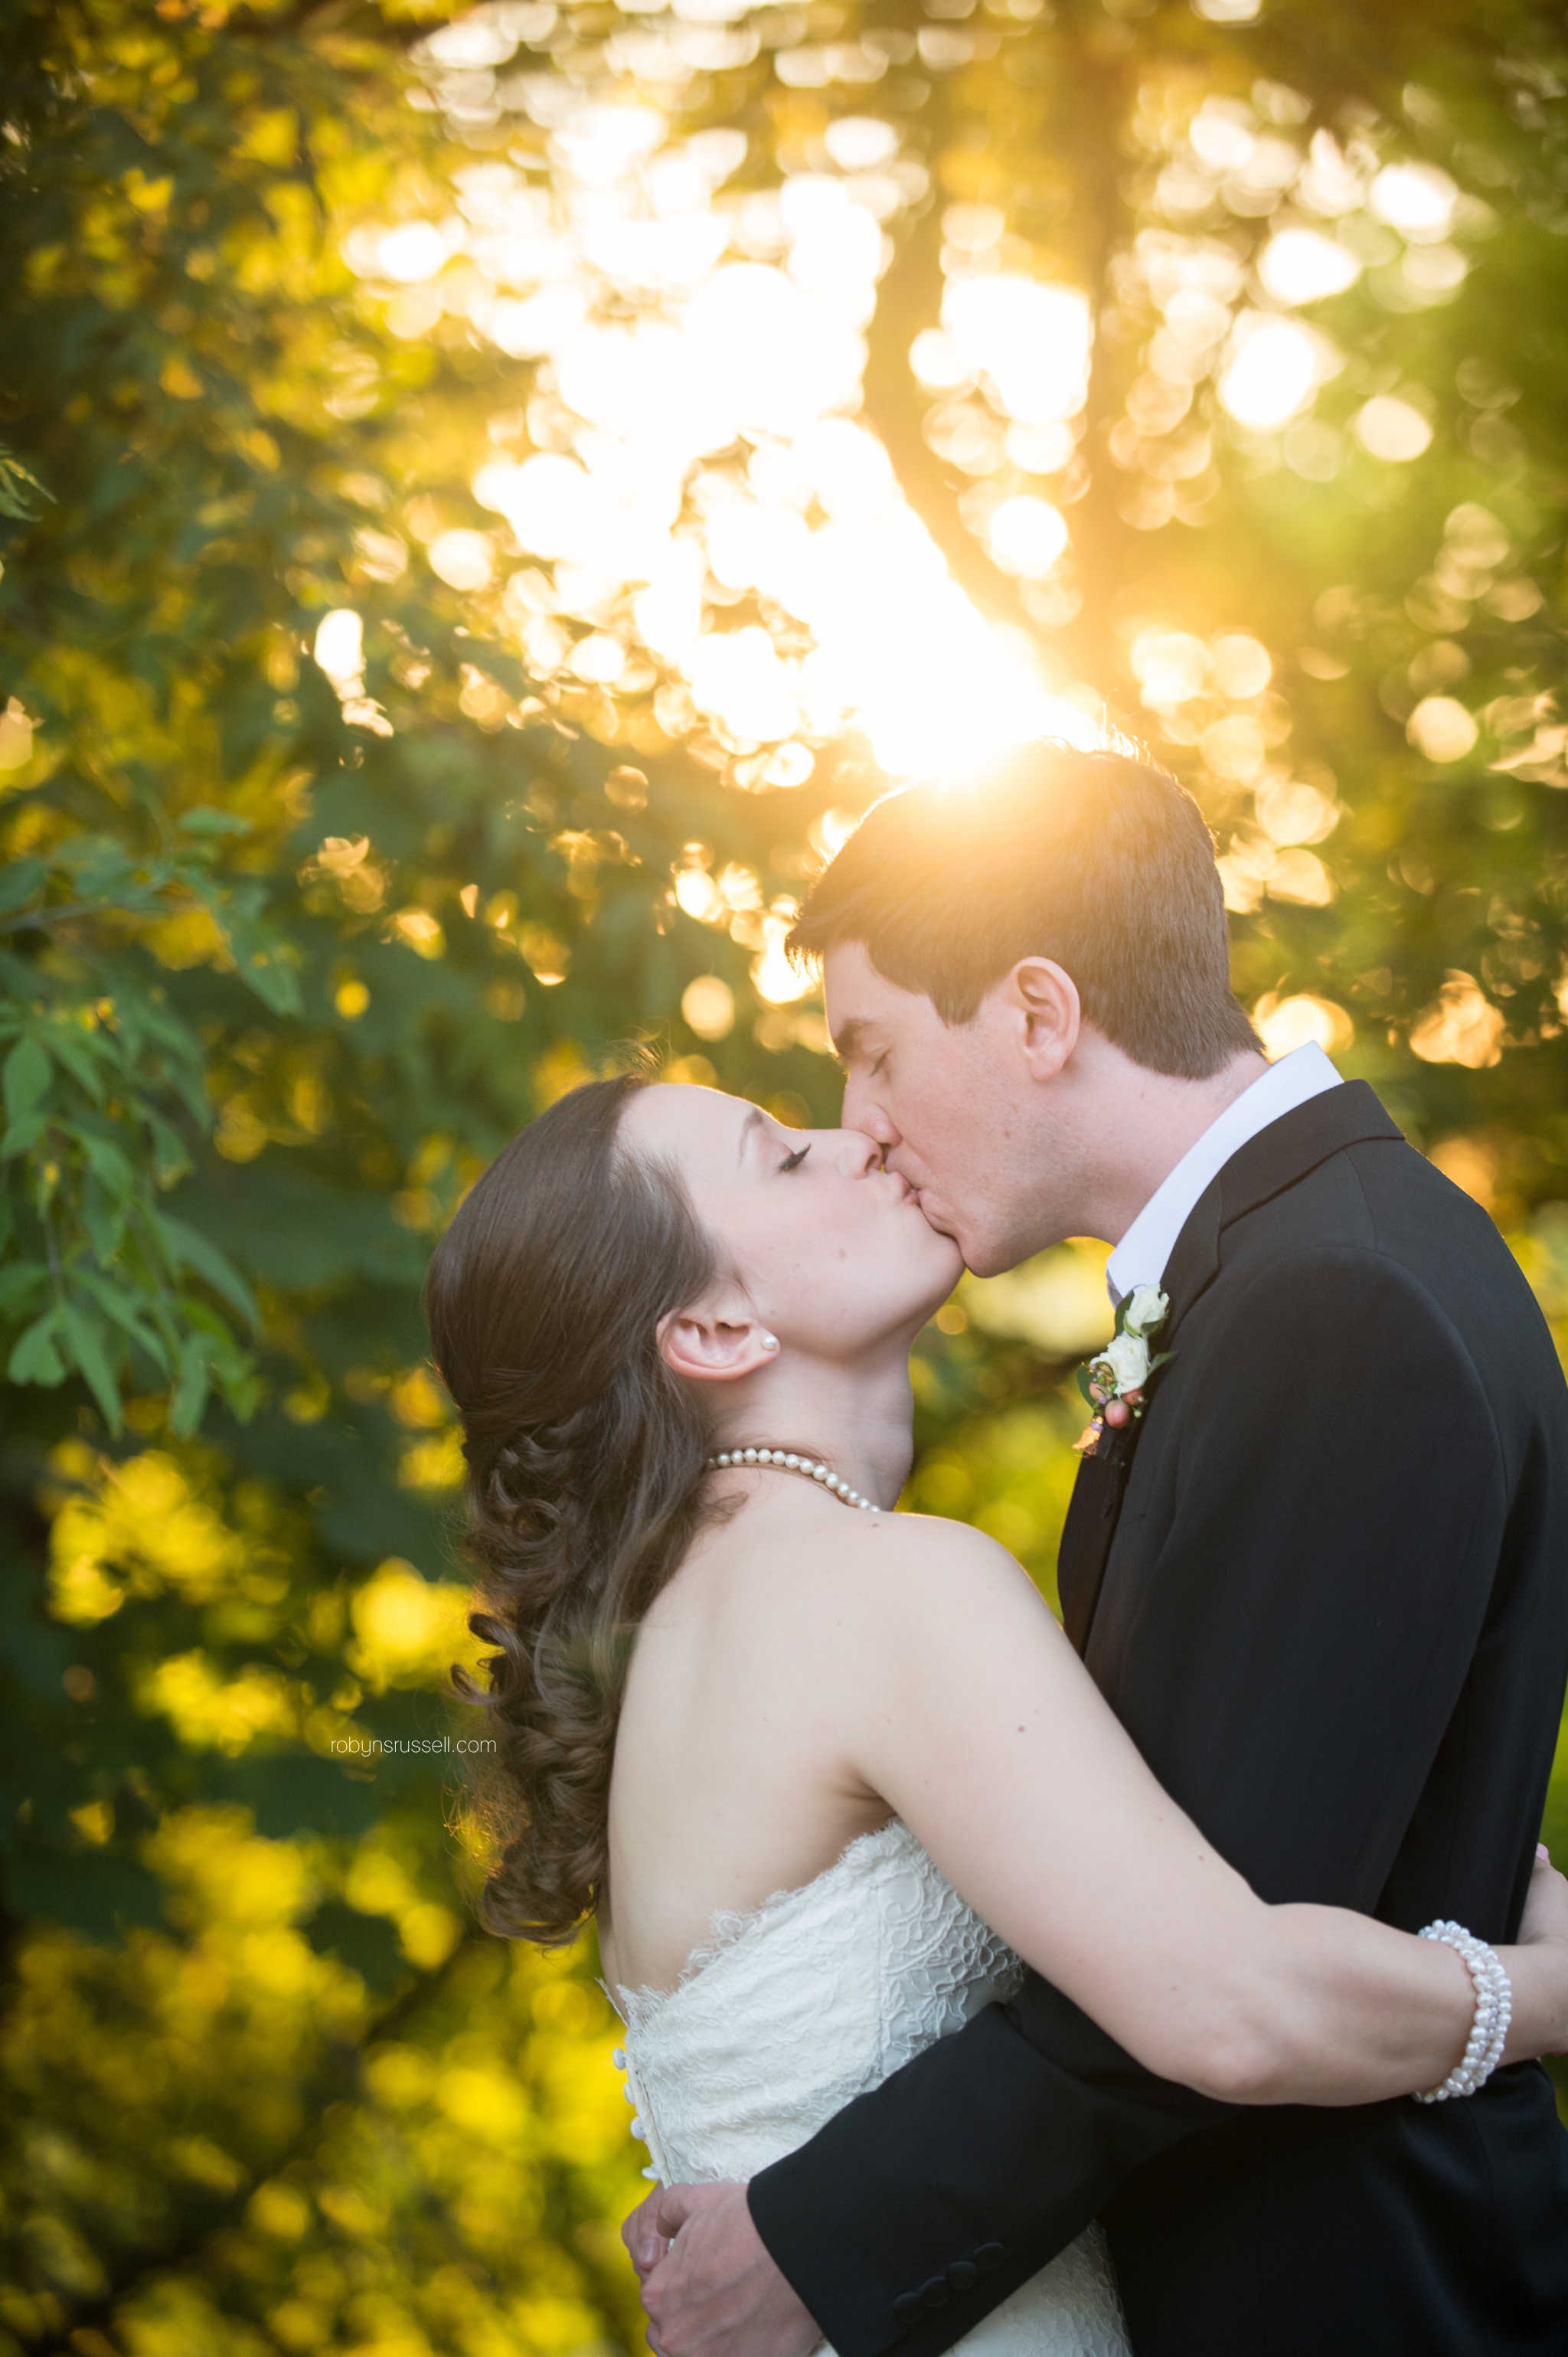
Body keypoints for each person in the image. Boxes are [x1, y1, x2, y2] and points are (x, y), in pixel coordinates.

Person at [424, 747, 1568, 2357]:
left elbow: (1208, 1942)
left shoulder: (1334, 1303)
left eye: (867, 1059)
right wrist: (1538, 1994)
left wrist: (818, 2240)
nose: (858, 1130)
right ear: (709, 1322)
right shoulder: (861, 1583)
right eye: (790, 1141)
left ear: (1038, 1014)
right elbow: (1216, 1991)